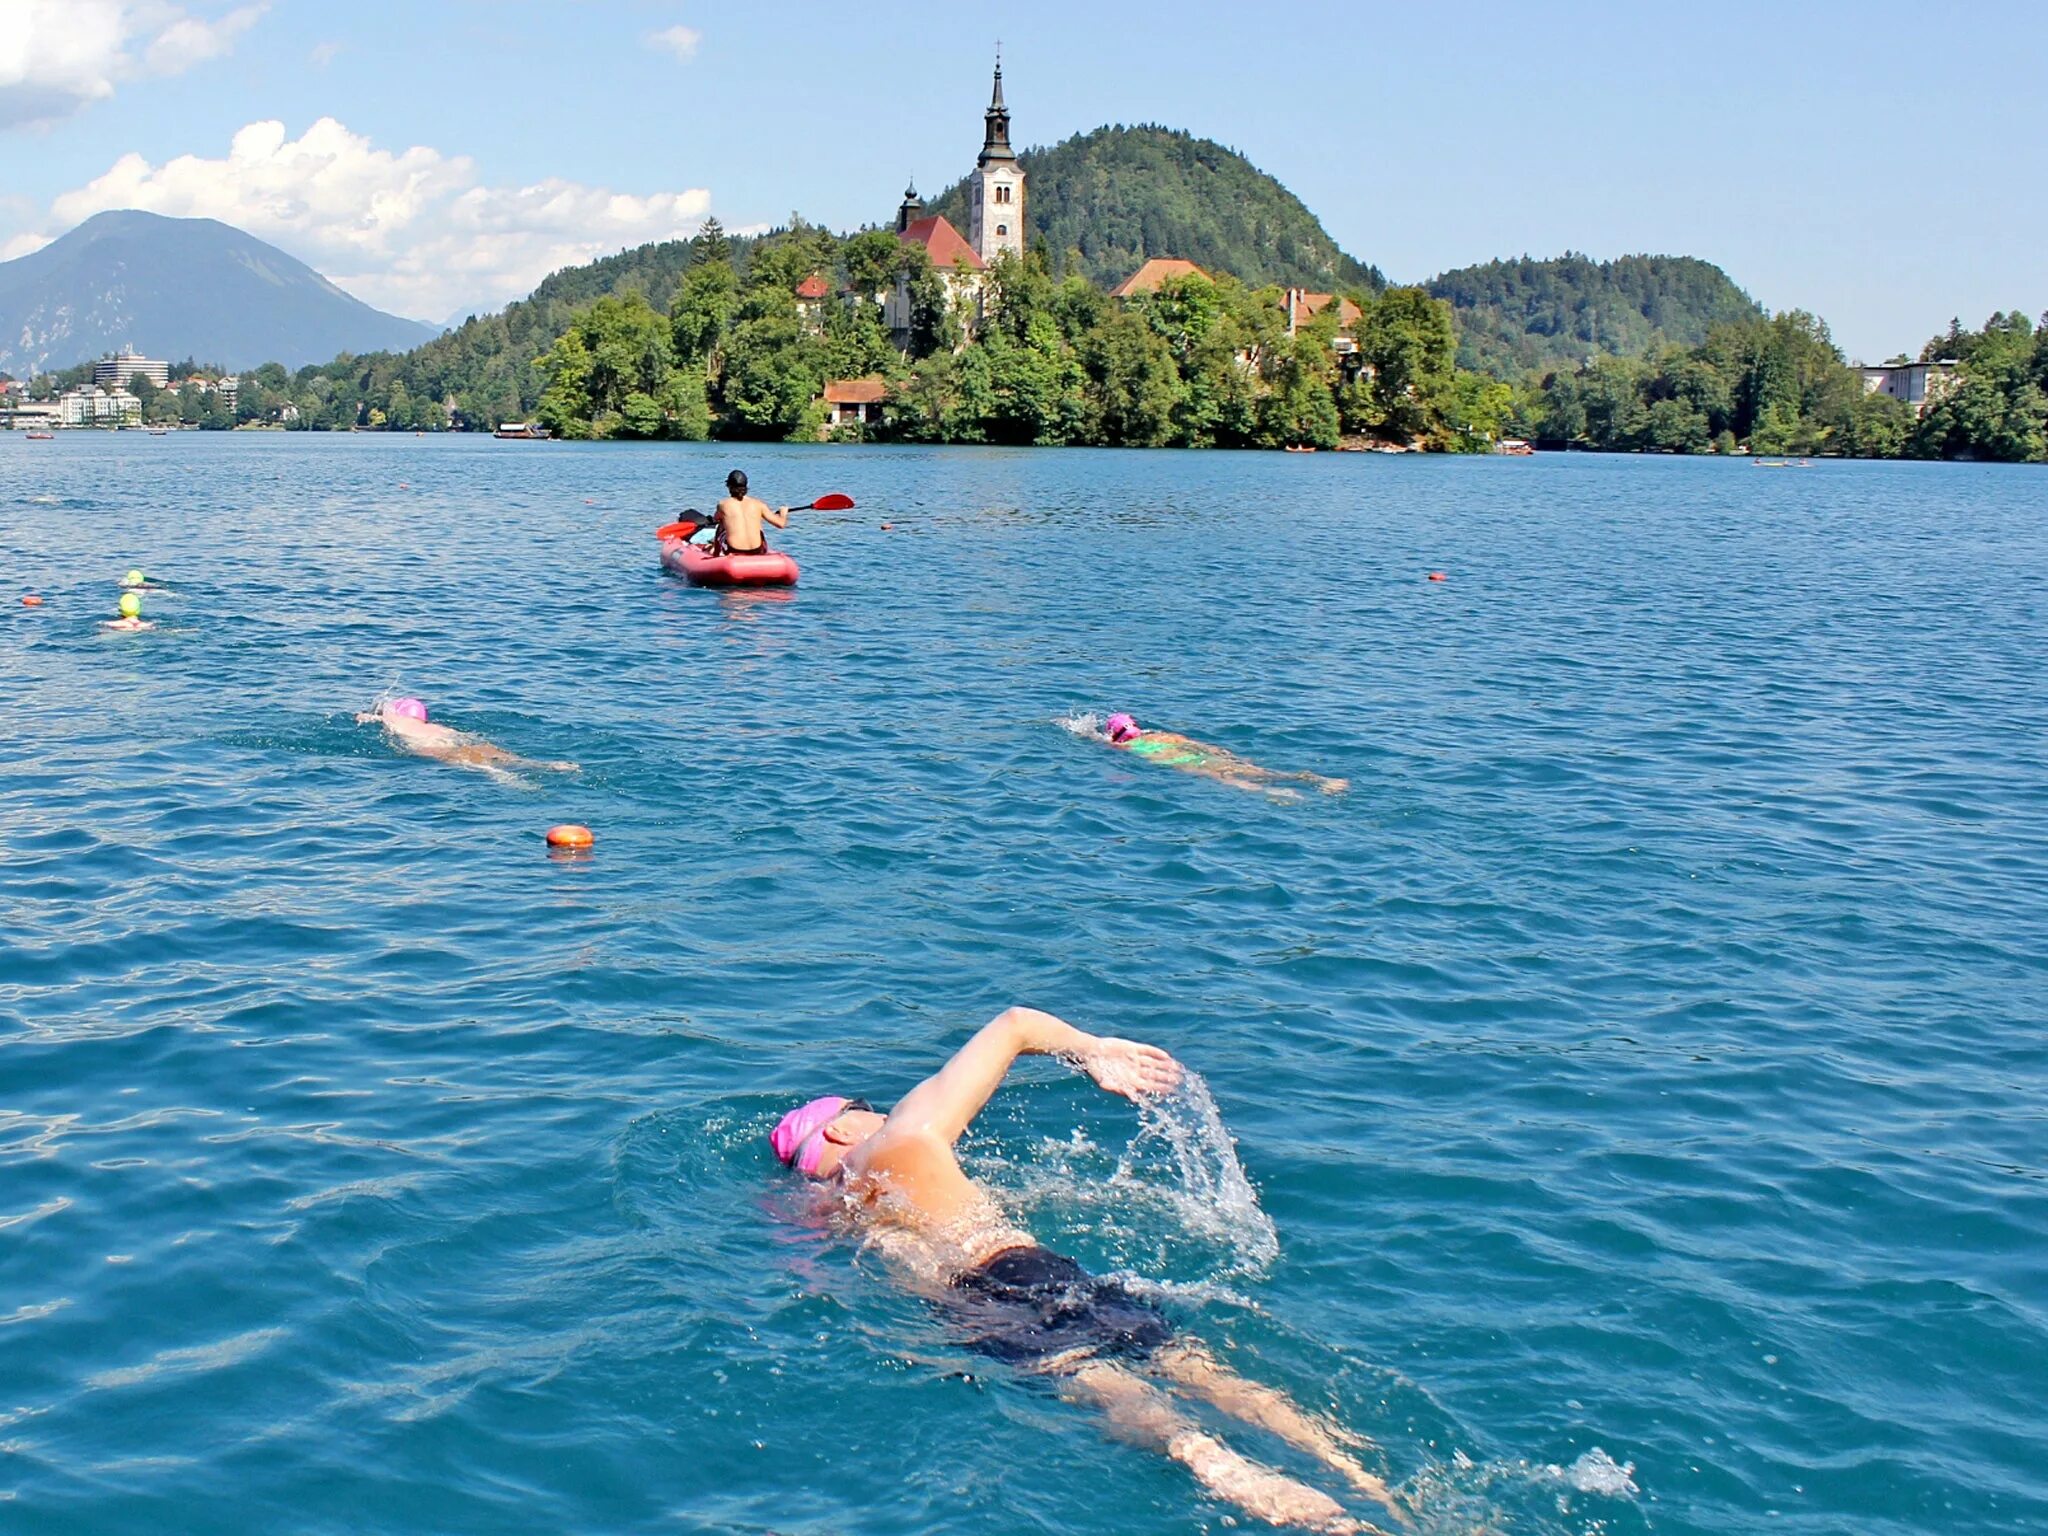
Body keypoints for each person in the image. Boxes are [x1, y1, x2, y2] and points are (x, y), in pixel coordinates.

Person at [771, 1007, 1401, 1534]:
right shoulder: (902, 1136)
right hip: (1028, 1265)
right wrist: (1092, 1051)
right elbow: (1014, 1024)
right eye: (863, 1108)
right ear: (840, 1129)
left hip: (969, 1306)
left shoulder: (837, 1214)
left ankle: (1222, 1469)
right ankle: (1363, 1479)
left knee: (1107, 1388)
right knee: (1192, 1367)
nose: (877, 1112)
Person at [1100, 714, 1348, 797]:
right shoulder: (1162, 735)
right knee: (1265, 772)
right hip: (1206, 755)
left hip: (1185, 764)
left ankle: (1276, 793)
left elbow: (1096, 739)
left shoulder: (1125, 747)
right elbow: (1202, 747)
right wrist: (1232, 756)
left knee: (1227, 780)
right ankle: (1321, 780)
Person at [355, 697, 577, 781]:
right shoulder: (438, 727)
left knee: (477, 765)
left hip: (432, 749)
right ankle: (547, 766)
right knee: (502, 756)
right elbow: (467, 737)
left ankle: (502, 777)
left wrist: (366, 716)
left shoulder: (397, 722)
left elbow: (381, 713)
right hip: (464, 742)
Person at [708, 469, 788, 556]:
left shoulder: (723, 504)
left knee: (722, 523)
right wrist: (783, 513)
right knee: (758, 525)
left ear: (729, 486)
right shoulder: (759, 504)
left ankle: (716, 552)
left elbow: (716, 519)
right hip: (757, 550)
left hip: (734, 550)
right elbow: (781, 524)